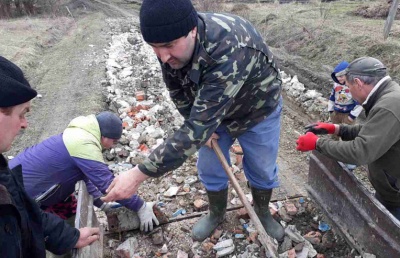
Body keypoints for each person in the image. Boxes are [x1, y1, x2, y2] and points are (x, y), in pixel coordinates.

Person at [102, 0, 285, 242]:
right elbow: (177, 89)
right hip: (211, 110)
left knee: (262, 166)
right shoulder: (170, 45)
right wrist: (196, 123)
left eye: (168, 46)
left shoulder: (229, 49)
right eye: (154, 47)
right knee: (210, 165)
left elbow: (196, 129)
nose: (163, 56)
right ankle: (216, 213)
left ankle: (262, 212)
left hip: (257, 109)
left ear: (193, 31)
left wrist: (138, 174)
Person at [0, 55, 100, 257]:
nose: (25, 124)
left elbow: (27, 213)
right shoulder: (85, 145)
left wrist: (70, 237)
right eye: (21, 113)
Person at [9, 111, 159, 232]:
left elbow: (86, 179)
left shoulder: (80, 135)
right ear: (105, 135)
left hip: (33, 186)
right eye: (114, 141)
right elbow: (108, 185)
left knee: (69, 219)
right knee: (27, 240)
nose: (112, 146)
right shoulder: (84, 143)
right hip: (16, 195)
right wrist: (140, 206)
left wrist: (103, 204)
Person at [296, 56, 400, 220]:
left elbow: (360, 151)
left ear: (358, 83)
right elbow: (372, 131)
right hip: (390, 186)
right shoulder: (390, 95)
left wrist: (317, 143)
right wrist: (337, 129)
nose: (349, 93)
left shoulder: (389, 106)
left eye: (349, 87)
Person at [328, 61, 363, 126]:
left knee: (348, 133)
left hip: (348, 114)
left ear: (348, 75)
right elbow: (332, 98)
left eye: (341, 76)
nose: (339, 79)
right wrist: (331, 111)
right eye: (337, 77)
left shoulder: (354, 86)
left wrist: (352, 116)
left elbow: (359, 103)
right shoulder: (336, 85)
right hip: (336, 113)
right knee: (334, 131)